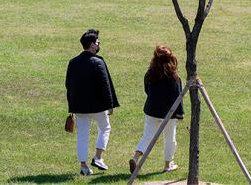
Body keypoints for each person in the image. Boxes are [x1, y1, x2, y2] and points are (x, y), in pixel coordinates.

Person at [66, 29, 119, 176]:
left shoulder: (73, 62)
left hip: (80, 107)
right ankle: (98, 157)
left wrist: (72, 105)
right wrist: (110, 105)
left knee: (82, 135)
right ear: (91, 45)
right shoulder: (98, 62)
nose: (99, 44)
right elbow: (105, 85)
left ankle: (83, 166)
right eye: (97, 42)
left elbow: (68, 85)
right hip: (98, 107)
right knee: (105, 128)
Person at [129, 45, 184, 174]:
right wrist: (180, 114)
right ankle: (167, 164)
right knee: (170, 139)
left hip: (151, 110)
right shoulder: (173, 76)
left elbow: (146, 90)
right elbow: (178, 97)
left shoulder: (150, 73)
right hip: (169, 114)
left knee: (147, 136)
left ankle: (135, 157)